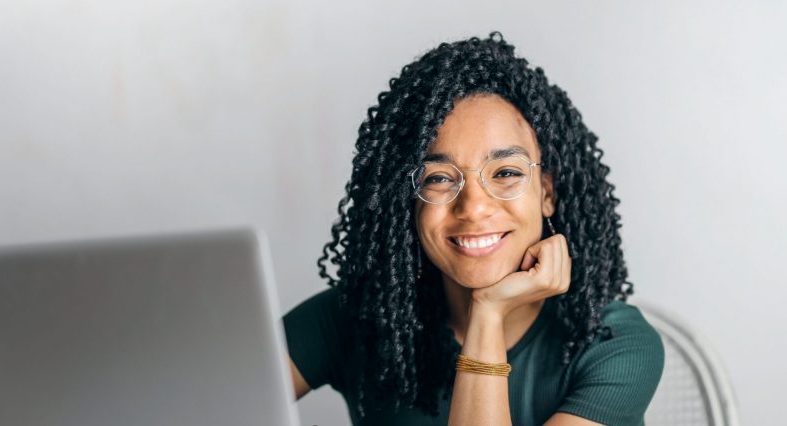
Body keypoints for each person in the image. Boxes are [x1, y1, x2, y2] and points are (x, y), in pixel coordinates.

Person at [282, 32, 664, 425]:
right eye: (439, 178)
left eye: (506, 172)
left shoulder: (614, 346)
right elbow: (219, 399)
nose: (474, 207)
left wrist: (488, 312)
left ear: (546, 192)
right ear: (408, 199)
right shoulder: (354, 317)